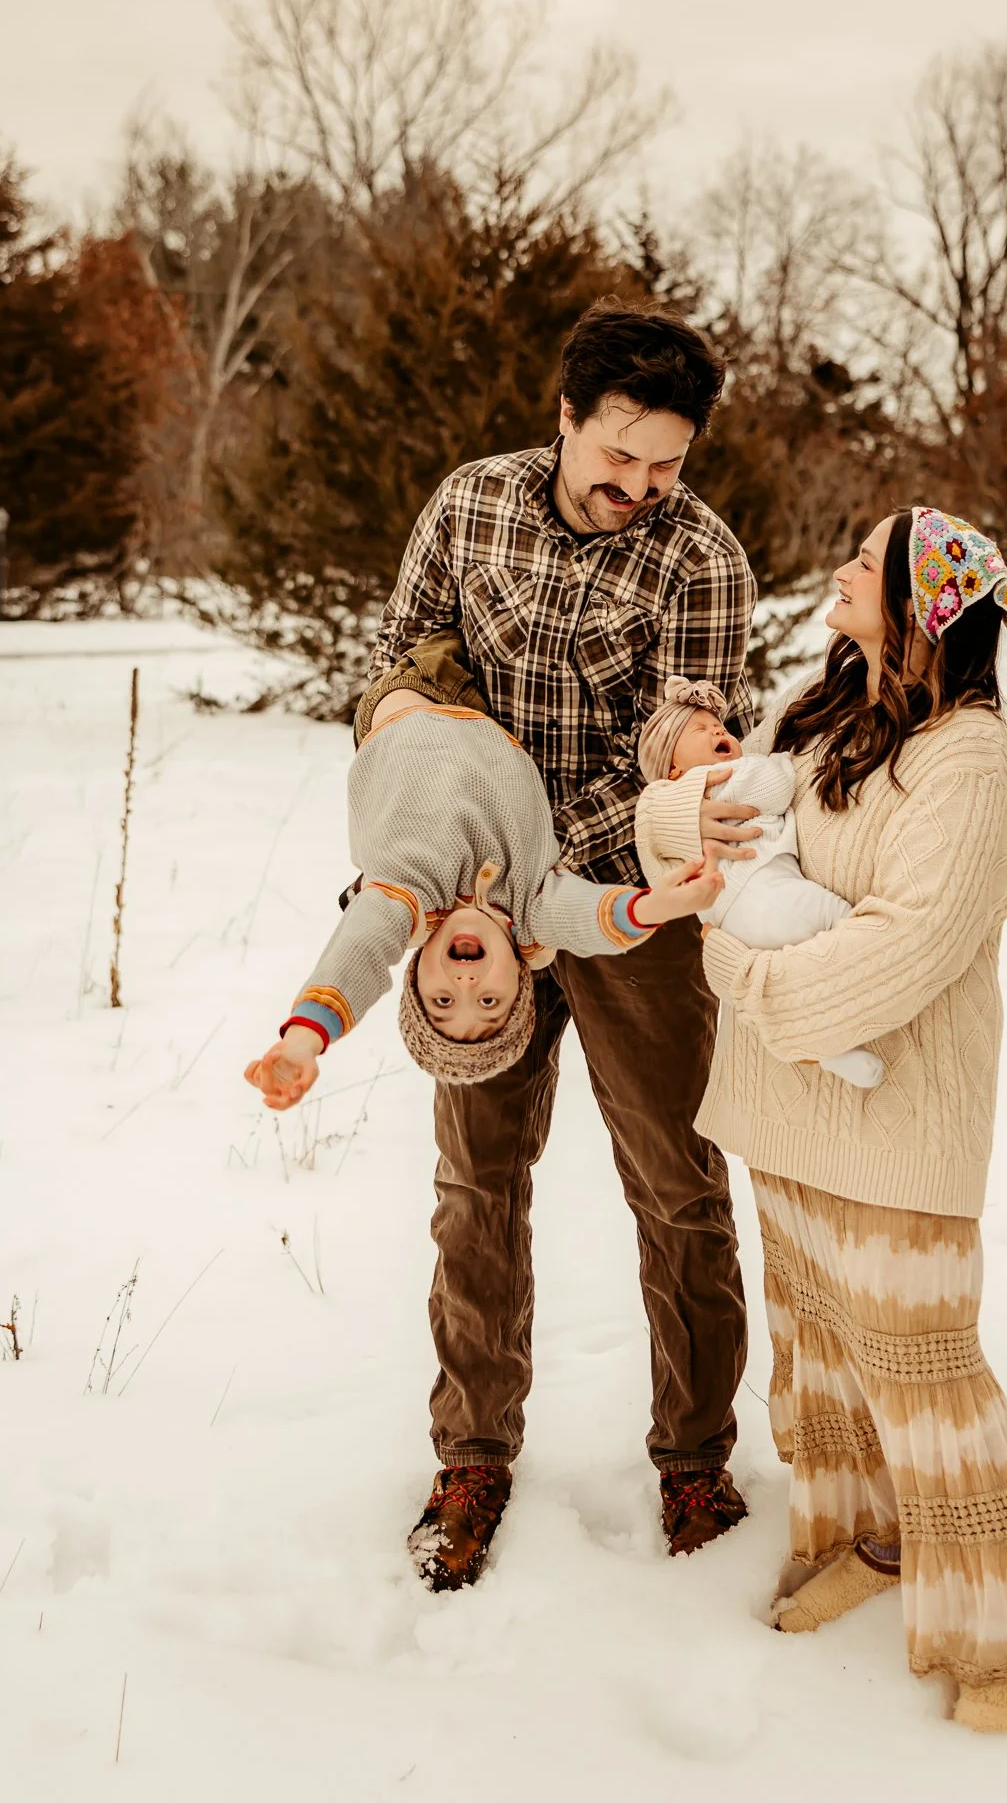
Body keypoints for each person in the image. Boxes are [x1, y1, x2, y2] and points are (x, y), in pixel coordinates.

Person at [641, 506, 1007, 1733]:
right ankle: (868, 1544)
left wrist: (742, 969)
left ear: (923, 604)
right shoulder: (818, 710)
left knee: (927, 1378)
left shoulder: (965, 758)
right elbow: (678, 813)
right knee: (822, 1356)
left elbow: (912, 945)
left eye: (868, 560)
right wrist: (694, 829)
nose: (840, 567)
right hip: (785, 1115)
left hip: (896, 1128)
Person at [358, 300, 762, 1590]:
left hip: (627, 906)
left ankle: (695, 1457)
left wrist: (558, 854)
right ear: (567, 417)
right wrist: (406, 724)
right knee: (478, 1183)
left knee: (680, 1187)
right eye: (620, 455)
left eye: (668, 465)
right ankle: (472, 1452)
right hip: (473, 916)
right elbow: (401, 659)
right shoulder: (470, 505)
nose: (641, 488)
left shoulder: (702, 561)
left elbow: (673, 742)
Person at [242, 684, 724, 1113]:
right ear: (520, 978)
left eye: (443, 999)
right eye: (489, 1000)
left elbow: (360, 951)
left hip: (410, 690)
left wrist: (305, 1042)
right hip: (485, 704)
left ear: (415, 973)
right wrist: (656, 905)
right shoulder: (531, 909)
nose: (467, 980)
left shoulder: (407, 901)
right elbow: (586, 919)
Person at [633, 674, 884, 1089]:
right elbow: (776, 787)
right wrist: (779, 762)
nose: (718, 730)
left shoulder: (682, 807)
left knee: (793, 987)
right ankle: (857, 1011)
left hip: (734, 924)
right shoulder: (722, 779)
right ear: (674, 769)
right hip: (766, 893)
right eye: (700, 730)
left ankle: (827, 1047)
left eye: (719, 726)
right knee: (844, 922)